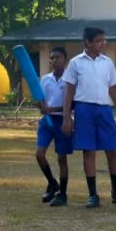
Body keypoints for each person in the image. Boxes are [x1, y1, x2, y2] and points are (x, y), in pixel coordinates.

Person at [61, 27, 116, 208]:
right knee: (89, 150)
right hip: (84, 109)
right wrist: (66, 117)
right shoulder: (75, 63)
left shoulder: (107, 62)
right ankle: (93, 194)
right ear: (88, 42)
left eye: (104, 40)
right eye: (99, 40)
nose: (103, 43)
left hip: (104, 109)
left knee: (112, 150)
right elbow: (69, 92)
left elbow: (113, 89)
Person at [35, 47, 73, 207]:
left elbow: (72, 105)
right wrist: (42, 107)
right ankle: (52, 183)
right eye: (51, 58)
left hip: (62, 120)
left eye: (57, 57)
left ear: (65, 59)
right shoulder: (45, 79)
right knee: (39, 154)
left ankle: (62, 193)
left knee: (61, 158)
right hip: (47, 121)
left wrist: (53, 109)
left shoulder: (70, 79)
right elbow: (41, 99)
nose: (54, 61)